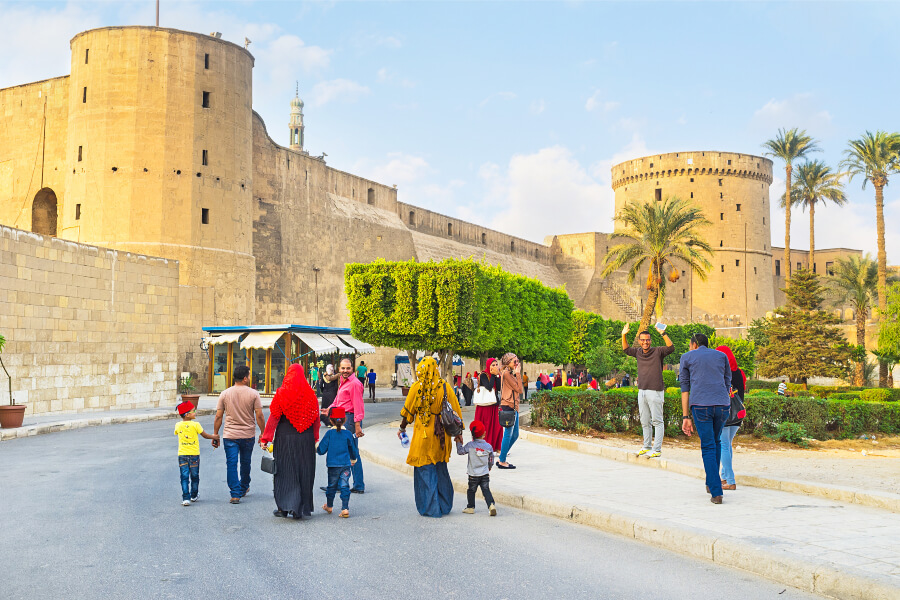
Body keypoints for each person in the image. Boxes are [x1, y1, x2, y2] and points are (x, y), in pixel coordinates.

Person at [397, 356, 463, 517]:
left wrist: (402, 428)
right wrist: (458, 435)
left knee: (425, 471)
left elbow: (408, 413)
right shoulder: (445, 387)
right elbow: (455, 412)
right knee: (440, 469)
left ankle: (430, 508)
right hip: (440, 436)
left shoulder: (416, 388)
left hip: (422, 435)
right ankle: (444, 506)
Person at [259, 364, 321, 519]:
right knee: (304, 472)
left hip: (285, 438)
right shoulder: (310, 394)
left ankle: (284, 508)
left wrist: (265, 438)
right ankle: (301, 508)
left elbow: (274, 418)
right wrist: (314, 439)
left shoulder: (281, 393)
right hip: (305, 439)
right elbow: (316, 420)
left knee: (285, 471)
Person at [680, 333, 732, 504]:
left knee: (708, 446)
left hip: (701, 405)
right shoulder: (721, 356)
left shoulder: (687, 357)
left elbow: (685, 388)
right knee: (716, 441)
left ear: (694, 344)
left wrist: (685, 416)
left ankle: (716, 492)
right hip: (722, 405)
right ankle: (711, 482)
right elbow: (727, 382)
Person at [213, 365, 265, 504]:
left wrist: (215, 434)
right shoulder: (254, 394)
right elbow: (259, 415)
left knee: (231, 463)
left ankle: (235, 494)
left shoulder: (224, 394)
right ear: (244, 378)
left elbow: (218, 416)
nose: (249, 377)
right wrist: (263, 433)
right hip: (248, 434)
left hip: (230, 435)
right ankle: (244, 486)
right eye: (248, 375)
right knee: (245, 462)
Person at [622, 322, 674, 459]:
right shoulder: (638, 352)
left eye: (647, 340)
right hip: (642, 391)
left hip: (655, 391)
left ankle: (657, 449)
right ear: (639, 341)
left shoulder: (658, 351)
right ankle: (646, 446)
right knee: (644, 421)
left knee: (657, 421)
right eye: (643, 340)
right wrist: (623, 335)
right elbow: (626, 349)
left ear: (650, 341)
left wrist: (663, 333)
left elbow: (671, 347)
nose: (645, 342)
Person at [323, 358, 366, 493]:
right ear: (339, 369)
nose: (345, 371)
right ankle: (345, 484)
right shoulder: (343, 381)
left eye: (348, 368)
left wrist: (357, 425)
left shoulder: (354, 384)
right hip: (343, 417)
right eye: (343, 368)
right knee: (346, 452)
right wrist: (329, 409)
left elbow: (358, 405)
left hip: (350, 419)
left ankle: (355, 485)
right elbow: (338, 400)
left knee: (352, 452)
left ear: (352, 369)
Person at [174, 401, 219, 506]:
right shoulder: (196, 425)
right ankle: (193, 495)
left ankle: (186, 498)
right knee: (194, 475)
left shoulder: (178, 425)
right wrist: (214, 437)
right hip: (194, 454)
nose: (195, 412)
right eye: (193, 411)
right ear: (187, 414)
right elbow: (205, 435)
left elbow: (177, 432)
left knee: (184, 476)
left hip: (182, 455)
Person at [317, 406, 358, 518]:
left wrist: (316, 448)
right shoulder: (348, 434)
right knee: (345, 486)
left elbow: (321, 450)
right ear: (345, 420)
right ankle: (345, 508)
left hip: (333, 466)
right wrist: (353, 460)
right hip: (345, 465)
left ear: (331, 420)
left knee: (331, 486)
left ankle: (329, 506)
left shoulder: (330, 434)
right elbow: (353, 449)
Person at [717, 345, 745, 491]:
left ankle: (731, 480)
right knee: (727, 445)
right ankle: (724, 477)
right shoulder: (739, 373)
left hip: (725, 412)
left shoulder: (721, 372)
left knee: (724, 445)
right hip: (738, 414)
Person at [456, 420, 496, 516]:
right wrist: (489, 467)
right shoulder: (488, 447)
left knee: (471, 490)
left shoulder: (470, 445)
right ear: (484, 433)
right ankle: (491, 505)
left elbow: (460, 451)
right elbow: (491, 459)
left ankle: (470, 507)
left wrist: (458, 442)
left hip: (473, 475)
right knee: (486, 490)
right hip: (485, 474)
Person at [497, 352, 523, 469]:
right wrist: (518, 374)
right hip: (508, 405)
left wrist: (516, 373)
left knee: (515, 434)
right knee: (508, 434)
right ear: (508, 362)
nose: (517, 363)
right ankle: (502, 460)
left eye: (518, 361)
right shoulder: (507, 373)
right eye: (515, 361)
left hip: (514, 406)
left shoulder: (509, 373)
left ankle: (501, 456)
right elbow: (520, 389)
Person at [474, 358, 503, 453]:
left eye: (496, 364)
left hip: (494, 405)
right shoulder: (483, 375)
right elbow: (489, 387)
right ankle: (484, 448)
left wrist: (497, 376)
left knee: (497, 426)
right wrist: (494, 375)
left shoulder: (496, 375)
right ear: (488, 366)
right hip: (485, 406)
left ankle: (497, 447)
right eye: (493, 365)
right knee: (486, 426)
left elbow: (498, 388)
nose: (495, 367)